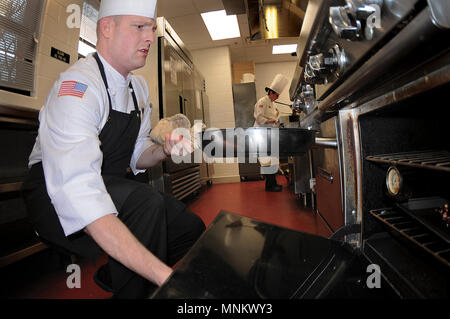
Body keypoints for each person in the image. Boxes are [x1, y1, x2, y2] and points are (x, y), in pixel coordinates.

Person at [21, 0, 205, 298]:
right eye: (139, 27)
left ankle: (117, 275)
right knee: (147, 203)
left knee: (189, 228)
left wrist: (163, 150)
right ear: (107, 28)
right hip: (54, 196)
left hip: (111, 184)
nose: (149, 37)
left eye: (152, 29)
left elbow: (137, 156)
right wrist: (166, 278)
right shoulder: (78, 86)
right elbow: (78, 188)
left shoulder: (139, 89)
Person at [253, 74, 289, 192]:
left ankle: (272, 184)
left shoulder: (274, 104)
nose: (277, 97)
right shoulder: (262, 101)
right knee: (266, 160)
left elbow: (277, 115)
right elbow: (258, 117)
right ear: (271, 93)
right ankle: (270, 186)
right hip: (262, 135)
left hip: (269, 135)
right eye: (277, 95)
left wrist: (277, 120)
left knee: (272, 160)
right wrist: (270, 121)